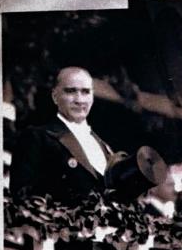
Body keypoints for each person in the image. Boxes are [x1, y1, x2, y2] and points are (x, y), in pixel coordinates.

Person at [8, 66, 124, 204]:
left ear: (92, 97)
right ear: (55, 96)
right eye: (71, 91)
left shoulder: (104, 147)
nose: (79, 100)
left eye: (86, 92)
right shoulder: (36, 137)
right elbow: (22, 197)